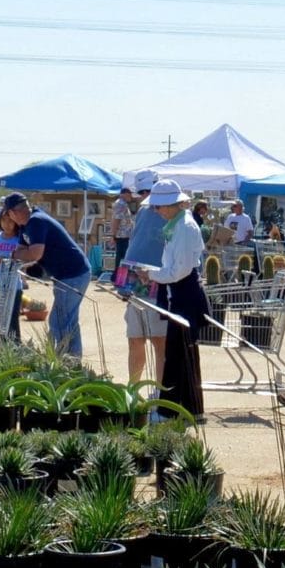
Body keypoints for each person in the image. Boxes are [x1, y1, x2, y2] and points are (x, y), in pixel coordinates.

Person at [134, 180, 208, 419]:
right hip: (179, 293)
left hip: (184, 294)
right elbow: (175, 268)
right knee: (180, 353)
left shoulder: (184, 227)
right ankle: (187, 409)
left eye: (158, 206)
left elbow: (179, 271)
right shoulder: (177, 225)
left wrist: (151, 274)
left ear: (171, 205)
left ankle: (172, 411)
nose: (156, 211)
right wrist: (153, 273)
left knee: (179, 354)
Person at [5, 192, 92, 357]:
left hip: (72, 274)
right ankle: (73, 360)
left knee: (59, 320)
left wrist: (15, 255)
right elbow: (23, 250)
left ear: (12, 212)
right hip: (68, 274)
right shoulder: (26, 225)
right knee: (67, 319)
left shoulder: (36, 221)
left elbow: (35, 254)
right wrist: (21, 254)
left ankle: (64, 359)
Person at [120, 170, 167, 386]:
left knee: (150, 340)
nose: (144, 196)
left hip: (151, 279)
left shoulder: (160, 212)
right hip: (143, 280)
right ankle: (140, 391)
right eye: (142, 193)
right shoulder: (147, 211)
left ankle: (151, 390)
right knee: (143, 340)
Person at [0, 209, 24, 342]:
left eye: (10, 221)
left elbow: (23, 262)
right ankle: (3, 347)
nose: (7, 224)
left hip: (14, 287)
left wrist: (8, 261)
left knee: (12, 320)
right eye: (4, 220)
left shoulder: (19, 240)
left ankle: (15, 347)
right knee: (1, 320)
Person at [110, 186, 135, 270]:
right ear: (125, 194)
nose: (131, 197)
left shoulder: (122, 204)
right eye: (130, 194)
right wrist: (113, 236)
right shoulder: (120, 204)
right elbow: (116, 220)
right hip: (122, 236)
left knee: (123, 258)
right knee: (122, 258)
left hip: (124, 236)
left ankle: (120, 275)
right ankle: (118, 275)